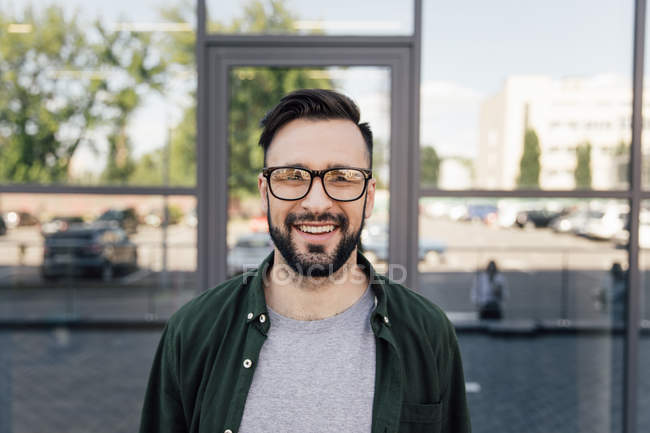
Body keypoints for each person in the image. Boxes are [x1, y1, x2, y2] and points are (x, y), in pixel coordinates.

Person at [140, 89, 471, 433]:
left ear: (369, 197)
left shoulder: (428, 333)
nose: (316, 202)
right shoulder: (193, 332)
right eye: (292, 177)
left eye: (342, 177)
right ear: (265, 193)